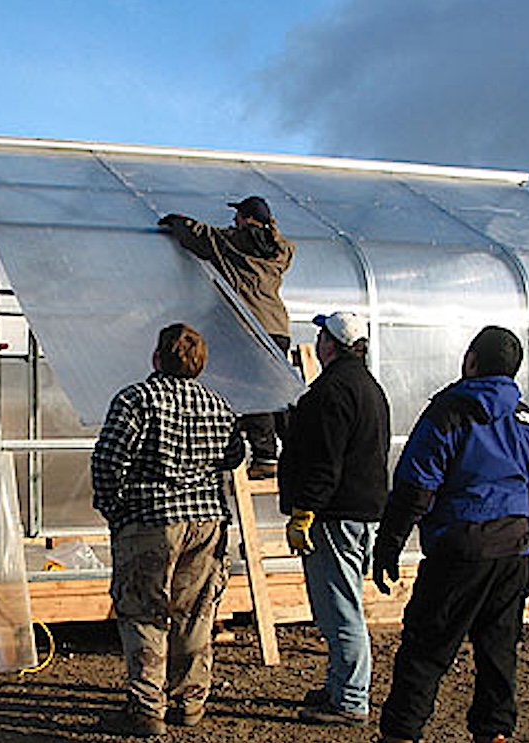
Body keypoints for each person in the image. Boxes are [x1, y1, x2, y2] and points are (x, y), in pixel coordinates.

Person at [372, 326, 529, 743]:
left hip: (459, 550)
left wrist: (389, 545)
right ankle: (494, 735)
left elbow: (416, 485)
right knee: (498, 652)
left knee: (425, 649)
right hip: (512, 550)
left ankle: (401, 734)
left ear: (472, 360)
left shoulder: (449, 414)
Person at [91, 323, 244, 737]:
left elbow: (107, 460)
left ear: (157, 358)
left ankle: (146, 709)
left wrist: (113, 510)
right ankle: (191, 702)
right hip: (207, 523)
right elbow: (234, 456)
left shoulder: (137, 399)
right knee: (195, 613)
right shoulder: (219, 404)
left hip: (150, 521)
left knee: (144, 613)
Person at [276, 312, 390, 727]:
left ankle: (351, 700)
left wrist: (305, 510)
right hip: (362, 513)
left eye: (321, 335)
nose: (317, 341)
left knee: (340, 610)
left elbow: (326, 461)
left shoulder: (333, 391)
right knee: (341, 604)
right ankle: (340, 685)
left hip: (336, 515)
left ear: (330, 345)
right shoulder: (367, 387)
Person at [157, 197, 295, 479]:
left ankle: (265, 455)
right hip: (278, 328)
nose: (234, 221)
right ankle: (295, 448)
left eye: (239, 216)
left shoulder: (232, 243)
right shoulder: (281, 250)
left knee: (255, 391)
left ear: (246, 219)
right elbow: (280, 243)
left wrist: (175, 221)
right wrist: (271, 228)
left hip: (250, 328)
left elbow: (200, 236)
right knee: (280, 391)